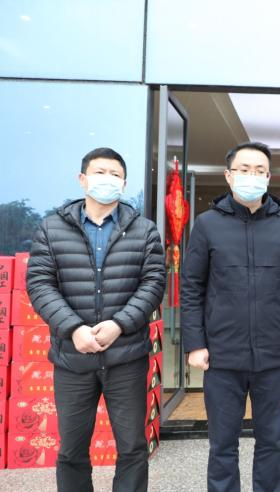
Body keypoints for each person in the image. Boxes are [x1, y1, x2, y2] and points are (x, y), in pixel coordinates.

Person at [26, 147, 166, 492]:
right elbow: (40, 283)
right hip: (72, 359)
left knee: (132, 448)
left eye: (115, 175)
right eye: (100, 172)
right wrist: (73, 328)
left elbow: (153, 283)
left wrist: (119, 324)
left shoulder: (144, 230)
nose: (107, 179)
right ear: (82, 179)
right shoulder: (52, 228)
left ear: (124, 184)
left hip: (127, 358)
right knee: (72, 450)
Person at [180, 141, 280, 492]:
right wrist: (195, 343)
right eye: (244, 169)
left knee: (271, 441)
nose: (252, 176)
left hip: (274, 354)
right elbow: (192, 287)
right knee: (222, 444)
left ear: (268, 177)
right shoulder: (207, 225)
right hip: (222, 355)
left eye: (259, 171)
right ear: (229, 175)